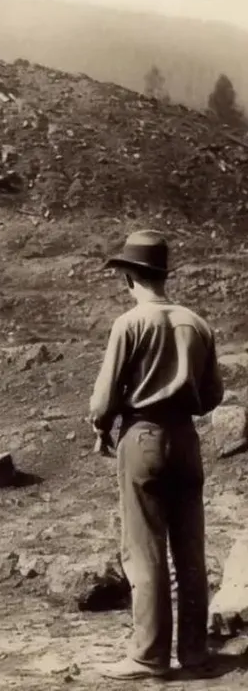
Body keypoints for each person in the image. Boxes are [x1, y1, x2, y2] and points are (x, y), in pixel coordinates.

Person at [88, 229, 224, 681]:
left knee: (144, 551)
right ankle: (195, 654)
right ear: (163, 274)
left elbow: (105, 399)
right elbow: (213, 393)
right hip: (186, 440)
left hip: (142, 438)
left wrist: (102, 427)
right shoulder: (197, 322)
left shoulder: (130, 323)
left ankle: (148, 656)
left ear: (129, 276)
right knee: (190, 552)